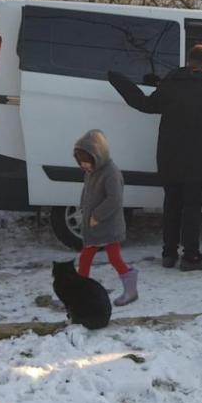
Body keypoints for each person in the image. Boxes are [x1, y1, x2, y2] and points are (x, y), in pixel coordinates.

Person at [109, 44, 202, 271]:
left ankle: (169, 254)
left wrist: (120, 81)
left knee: (172, 206)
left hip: (169, 159)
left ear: (189, 62)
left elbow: (144, 103)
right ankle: (191, 257)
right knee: (192, 210)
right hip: (198, 163)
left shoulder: (170, 86)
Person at [73, 129, 137, 306]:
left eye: (86, 163)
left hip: (109, 225)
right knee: (85, 257)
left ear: (97, 155)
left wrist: (97, 215)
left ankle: (131, 287)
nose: (84, 167)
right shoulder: (91, 172)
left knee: (114, 258)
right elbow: (87, 192)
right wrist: (82, 208)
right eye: (81, 164)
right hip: (94, 226)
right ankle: (80, 292)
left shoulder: (111, 173)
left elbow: (114, 199)